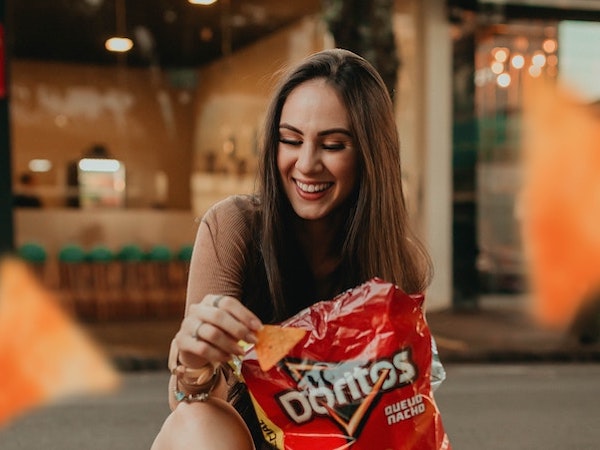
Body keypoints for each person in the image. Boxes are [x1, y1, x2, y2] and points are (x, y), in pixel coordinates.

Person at [151, 48, 434, 450]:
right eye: (290, 140)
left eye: (333, 145)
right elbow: (193, 412)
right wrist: (195, 362)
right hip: (241, 442)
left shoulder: (398, 262)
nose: (306, 164)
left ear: (371, 155)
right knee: (200, 421)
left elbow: (400, 419)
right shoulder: (236, 227)